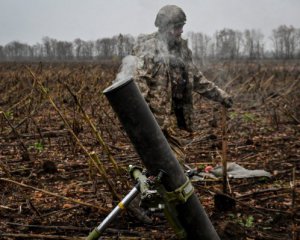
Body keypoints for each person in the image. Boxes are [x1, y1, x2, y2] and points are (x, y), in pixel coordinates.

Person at [117, 5, 232, 161]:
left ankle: (160, 181)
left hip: (173, 114)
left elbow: (196, 78)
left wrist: (220, 96)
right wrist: (140, 117)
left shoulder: (182, 50)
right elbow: (140, 81)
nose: (181, 31)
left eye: (182, 26)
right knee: (175, 160)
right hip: (155, 117)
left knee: (167, 159)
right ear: (166, 28)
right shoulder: (149, 47)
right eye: (178, 27)